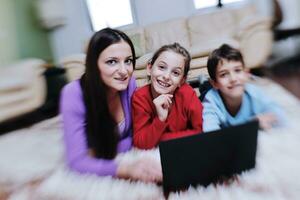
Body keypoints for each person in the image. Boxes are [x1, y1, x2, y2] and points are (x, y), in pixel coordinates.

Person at [60, 28, 162, 183]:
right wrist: (126, 169)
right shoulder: (72, 94)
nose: (124, 71)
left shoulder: (130, 84)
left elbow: (138, 135)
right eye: (112, 62)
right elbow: (77, 162)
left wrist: (99, 151)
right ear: (94, 65)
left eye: (128, 61)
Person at [132, 43, 203, 150]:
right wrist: (160, 119)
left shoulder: (187, 93)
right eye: (161, 67)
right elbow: (141, 143)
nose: (166, 76)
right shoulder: (140, 97)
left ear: (182, 80)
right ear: (149, 68)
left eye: (175, 73)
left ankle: (204, 84)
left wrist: (162, 140)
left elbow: (202, 131)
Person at [202, 44, 286, 132]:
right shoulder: (211, 101)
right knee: (204, 90)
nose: (233, 79)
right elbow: (210, 134)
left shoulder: (254, 93)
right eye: (224, 74)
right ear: (215, 83)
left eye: (237, 70)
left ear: (246, 74)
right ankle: (203, 83)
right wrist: (250, 125)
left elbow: (281, 117)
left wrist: (267, 120)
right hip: (212, 93)